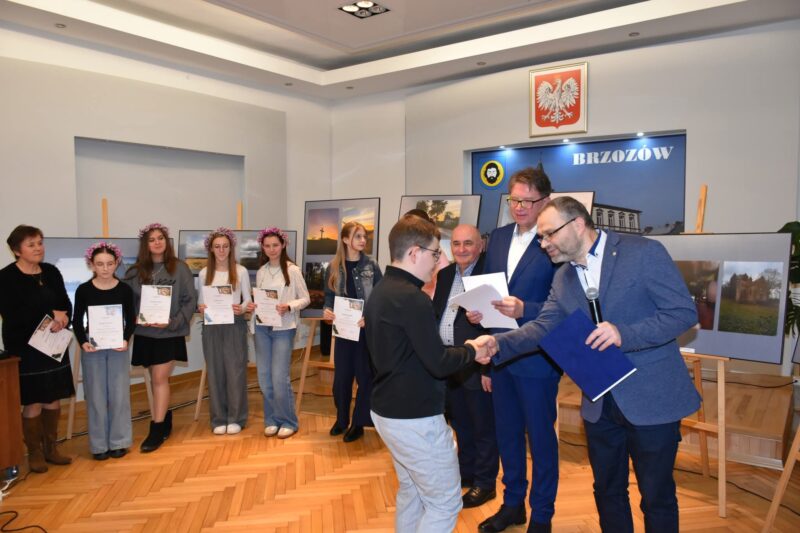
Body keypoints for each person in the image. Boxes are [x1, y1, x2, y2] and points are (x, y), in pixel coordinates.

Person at [476, 196, 702, 533]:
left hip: (651, 399)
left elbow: (682, 313)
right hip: (599, 402)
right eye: (541, 237)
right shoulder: (563, 277)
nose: (543, 243)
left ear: (578, 224)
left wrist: (624, 334)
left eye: (549, 234)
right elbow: (544, 326)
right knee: (607, 492)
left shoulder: (643, 253)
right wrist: (498, 344)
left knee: (657, 497)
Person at [363, 214, 492, 532]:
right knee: (445, 503)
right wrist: (473, 349)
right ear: (414, 253)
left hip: (387, 410)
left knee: (412, 491)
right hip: (415, 417)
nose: (438, 262)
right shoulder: (412, 298)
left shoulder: (382, 290)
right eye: (435, 253)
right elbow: (438, 362)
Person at [476, 166, 560, 533]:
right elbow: (490, 291)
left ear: (546, 201)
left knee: (540, 440)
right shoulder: (496, 237)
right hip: (499, 353)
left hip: (538, 356)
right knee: (507, 435)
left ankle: (541, 515)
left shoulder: (555, 241)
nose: (520, 207)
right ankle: (513, 505)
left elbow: (564, 306)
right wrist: (479, 311)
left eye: (528, 200)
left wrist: (527, 309)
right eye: (514, 200)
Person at [432, 224, 499, 509]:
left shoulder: (490, 275)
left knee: (483, 426)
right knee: (460, 422)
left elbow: (498, 325)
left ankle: (485, 483)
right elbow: (437, 314)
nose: (461, 249)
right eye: (456, 244)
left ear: (480, 245)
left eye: (468, 243)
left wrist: (489, 369)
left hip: (477, 362)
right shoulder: (445, 274)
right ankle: (466, 473)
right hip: (450, 361)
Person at [0, 225, 74, 473]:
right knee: (33, 400)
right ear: (16, 250)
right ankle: (34, 453)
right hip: (25, 346)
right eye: (31, 244)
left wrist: (64, 318)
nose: (38, 248)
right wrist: (50, 315)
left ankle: (51, 448)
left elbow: (65, 303)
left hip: (53, 343)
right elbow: (12, 314)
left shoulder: (51, 271)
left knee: (53, 397)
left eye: (40, 242)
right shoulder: (5, 278)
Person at [125, 223, 197, 453]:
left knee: (159, 378)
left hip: (169, 333)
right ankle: (165, 419)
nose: (157, 242)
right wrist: (134, 317)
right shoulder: (134, 272)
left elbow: (190, 300)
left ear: (166, 241)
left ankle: (156, 429)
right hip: (145, 334)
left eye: (161, 238)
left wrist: (173, 322)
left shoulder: (180, 268)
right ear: (145, 245)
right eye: (152, 239)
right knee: (154, 378)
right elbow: (127, 302)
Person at [73, 242, 136, 460]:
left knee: (119, 395)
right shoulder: (84, 290)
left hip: (118, 347)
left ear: (116, 263)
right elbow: (77, 320)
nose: (105, 268)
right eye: (100, 264)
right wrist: (83, 342)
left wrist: (126, 339)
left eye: (109, 263)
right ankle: (99, 445)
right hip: (93, 349)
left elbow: (131, 320)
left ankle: (119, 442)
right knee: (96, 397)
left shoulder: (124, 289)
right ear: (91, 265)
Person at [323, 221, 382, 443]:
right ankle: (341, 419)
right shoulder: (333, 267)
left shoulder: (372, 266)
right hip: (344, 332)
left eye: (364, 236)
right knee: (342, 379)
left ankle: (358, 423)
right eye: (358, 236)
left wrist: (370, 316)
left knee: (365, 378)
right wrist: (327, 311)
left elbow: (380, 298)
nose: (363, 240)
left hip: (365, 333)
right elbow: (329, 298)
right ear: (345, 239)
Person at [252, 227, 310, 439]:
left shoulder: (292, 270)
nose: (271, 249)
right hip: (261, 328)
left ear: (283, 245)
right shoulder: (261, 271)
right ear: (263, 247)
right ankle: (272, 420)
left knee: (279, 377)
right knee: (264, 377)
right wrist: (254, 305)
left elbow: (305, 298)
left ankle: (288, 421)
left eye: (275, 245)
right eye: (267, 246)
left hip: (283, 329)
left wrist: (289, 306)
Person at [197, 228, 253, 435]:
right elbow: (200, 303)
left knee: (235, 372)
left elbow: (248, 300)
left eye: (225, 246)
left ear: (231, 248)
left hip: (234, 325)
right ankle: (219, 418)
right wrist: (202, 308)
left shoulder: (241, 271)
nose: (221, 250)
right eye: (217, 247)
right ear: (211, 249)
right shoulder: (204, 273)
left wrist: (242, 308)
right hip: (211, 327)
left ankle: (236, 418)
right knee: (215, 372)